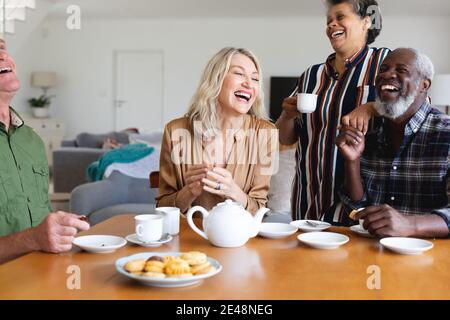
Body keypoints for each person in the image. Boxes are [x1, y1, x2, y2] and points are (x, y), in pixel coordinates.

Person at [276, 0, 390, 224]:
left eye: (340, 17)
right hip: (308, 204)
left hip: (360, 209)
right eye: (328, 20)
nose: (331, 25)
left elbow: (416, 106)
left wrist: (372, 107)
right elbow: (285, 137)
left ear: (366, 22)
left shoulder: (384, 63)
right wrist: (286, 116)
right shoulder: (311, 75)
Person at [336, 48, 449, 238]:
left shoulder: (445, 132)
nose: (387, 74)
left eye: (401, 70)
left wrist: (409, 225)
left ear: (424, 85)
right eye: (383, 69)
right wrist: (352, 162)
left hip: (430, 259)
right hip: (370, 253)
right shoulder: (368, 131)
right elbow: (358, 206)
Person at [156, 47, 278, 214]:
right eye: (239, 73)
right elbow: (162, 207)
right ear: (216, 79)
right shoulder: (175, 131)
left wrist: (233, 191)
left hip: (239, 237)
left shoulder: (265, 133)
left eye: (255, 78)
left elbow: (259, 210)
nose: (249, 84)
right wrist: (189, 191)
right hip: (189, 236)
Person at [0, 39, 90, 264]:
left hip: (45, 273)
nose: (2, 56)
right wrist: (33, 239)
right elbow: (36, 237)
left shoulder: (32, 140)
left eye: (2, 48)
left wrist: (60, 229)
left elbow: (42, 217)